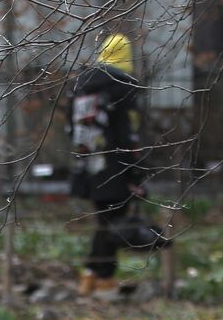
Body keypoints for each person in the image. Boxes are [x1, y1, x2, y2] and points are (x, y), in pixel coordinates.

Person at [68, 33, 168, 297]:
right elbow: (127, 136)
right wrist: (135, 174)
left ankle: (92, 276)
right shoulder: (121, 87)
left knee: (106, 223)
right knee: (112, 225)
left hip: (90, 168)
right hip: (115, 170)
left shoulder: (82, 87)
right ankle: (102, 279)